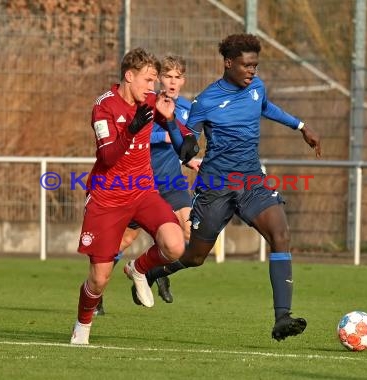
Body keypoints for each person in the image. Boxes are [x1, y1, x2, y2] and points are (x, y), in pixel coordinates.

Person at [137, 34, 322, 342]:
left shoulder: (256, 88)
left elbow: (266, 106)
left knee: (281, 234)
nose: (252, 71)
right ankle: (156, 271)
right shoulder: (206, 101)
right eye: (246, 65)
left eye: (256, 65)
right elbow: (187, 151)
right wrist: (171, 125)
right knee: (196, 256)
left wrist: (301, 127)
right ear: (228, 63)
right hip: (215, 187)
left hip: (251, 181)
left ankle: (282, 318)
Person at [70, 48, 198, 345]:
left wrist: (184, 138)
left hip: (143, 190)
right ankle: (82, 325)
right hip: (108, 197)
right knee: (99, 279)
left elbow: (173, 123)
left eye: (155, 81)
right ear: (129, 76)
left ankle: (138, 269)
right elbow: (107, 155)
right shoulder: (104, 106)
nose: (154, 88)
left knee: (176, 245)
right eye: (149, 80)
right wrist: (133, 128)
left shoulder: (151, 101)